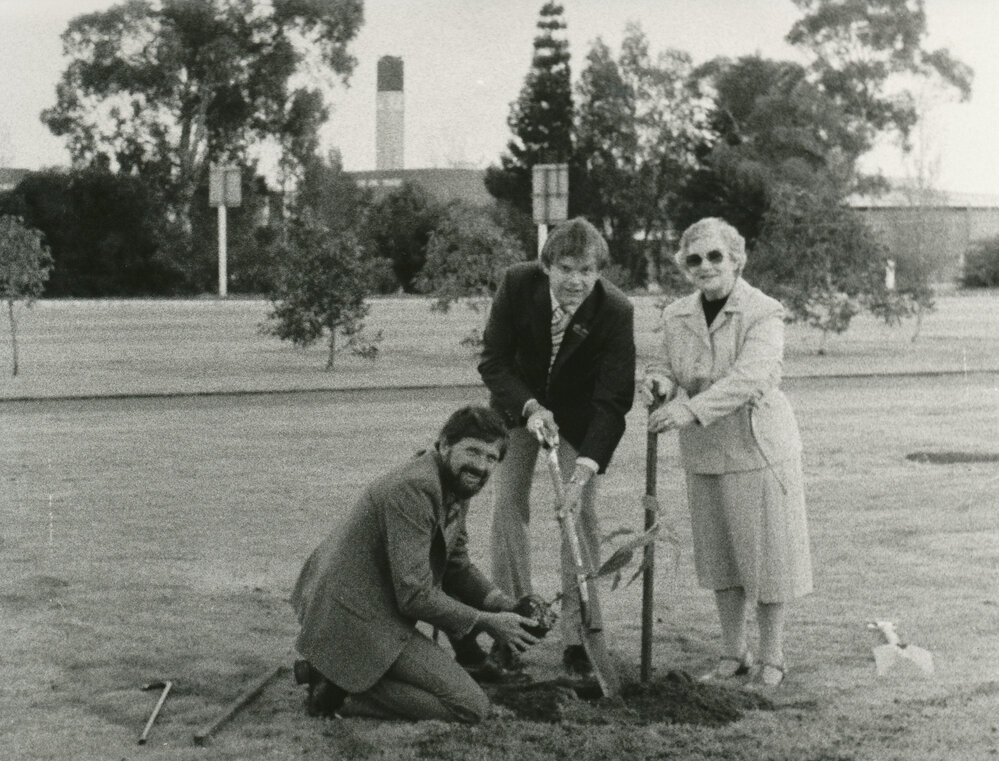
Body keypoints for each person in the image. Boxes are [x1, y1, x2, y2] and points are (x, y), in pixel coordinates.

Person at [641, 217, 813, 688]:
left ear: (737, 259)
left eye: (715, 256)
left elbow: (750, 377)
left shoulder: (764, 311)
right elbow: (664, 364)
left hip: (758, 447)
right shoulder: (676, 315)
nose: (705, 266)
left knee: (768, 558)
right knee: (721, 558)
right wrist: (659, 382)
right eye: (694, 258)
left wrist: (689, 409)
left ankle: (772, 656)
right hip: (704, 452)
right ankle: (733, 652)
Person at [290, 405, 540, 723]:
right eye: (473, 451)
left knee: (458, 696)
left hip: (376, 610)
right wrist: (488, 622)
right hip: (352, 615)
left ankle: (333, 671)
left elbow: (457, 565)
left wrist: (505, 605)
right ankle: (339, 690)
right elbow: (415, 596)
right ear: (445, 444)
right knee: (470, 708)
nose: (481, 466)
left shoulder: (455, 483)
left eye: (492, 458)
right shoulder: (416, 488)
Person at [467, 216, 636, 677]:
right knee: (507, 507)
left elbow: (613, 399)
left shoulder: (616, 310)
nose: (576, 280)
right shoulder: (516, 285)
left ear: (599, 272)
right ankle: (512, 628)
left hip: (579, 420)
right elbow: (494, 362)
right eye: (566, 269)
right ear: (547, 266)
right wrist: (530, 407)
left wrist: (584, 470)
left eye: (587, 271)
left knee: (578, 514)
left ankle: (579, 640)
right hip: (519, 408)